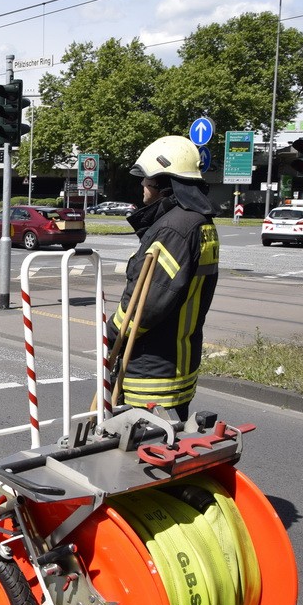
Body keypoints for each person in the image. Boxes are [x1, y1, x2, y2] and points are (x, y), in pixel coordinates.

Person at [110, 135, 220, 420]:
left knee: (140, 458)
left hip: (152, 372)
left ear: (163, 182)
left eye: (146, 179)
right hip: (180, 362)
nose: (142, 186)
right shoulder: (200, 222)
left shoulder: (173, 229)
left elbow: (147, 302)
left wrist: (112, 332)